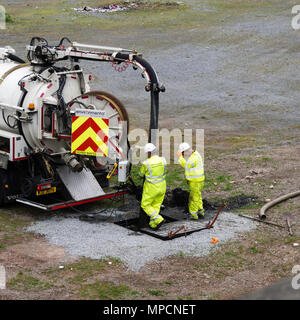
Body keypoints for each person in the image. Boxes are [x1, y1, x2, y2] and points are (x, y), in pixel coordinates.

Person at [138, 143, 166, 230]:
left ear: (149, 153)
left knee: (145, 205)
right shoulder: (163, 160)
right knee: (156, 205)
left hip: (151, 188)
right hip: (162, 187)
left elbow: (140, 175)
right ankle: (153, 224)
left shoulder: (146, 163)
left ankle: (158, 219)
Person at [177, 142, 205, 220]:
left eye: (184, 153)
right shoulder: (196, 154)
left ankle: (193, 215)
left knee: (193, 198)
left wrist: (180, 157)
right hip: (198, 180)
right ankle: (200, 211)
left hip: (195, 181)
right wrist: (188, 178)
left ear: (186, 151)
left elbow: (186, 165)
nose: (184, 155)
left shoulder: (193, 158)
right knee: (198, 195)